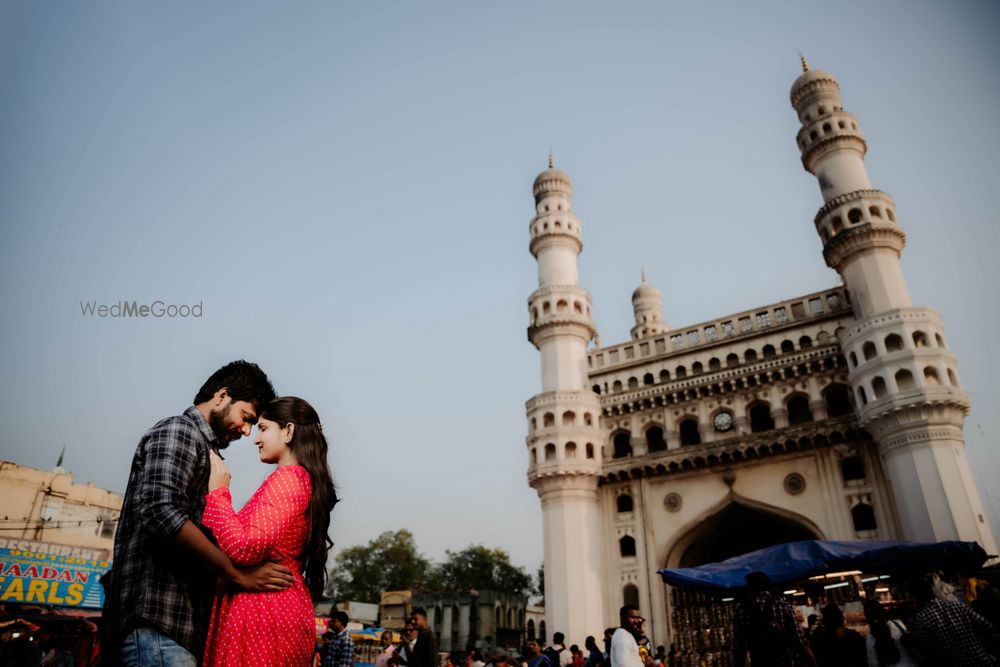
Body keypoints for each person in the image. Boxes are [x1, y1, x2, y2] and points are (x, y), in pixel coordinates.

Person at [102, 360, 292, 666]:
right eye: (246, 418)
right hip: (157, 624)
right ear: (221, 396)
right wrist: (235, 574)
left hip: (175, 630)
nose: (246, 432)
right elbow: (161, 512)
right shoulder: (179, 430)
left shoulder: (206, 451)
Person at [199, 396, 338, 665]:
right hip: (272, 609)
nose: (255, 439)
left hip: (263, 613)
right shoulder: (297, 479)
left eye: (263, 428)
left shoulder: (290, 478)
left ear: (288, 431)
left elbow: (244, 547)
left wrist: (218, 494)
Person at [907, 573, 997, 666]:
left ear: (916, 598)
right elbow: (988, 626)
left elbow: (928, 649)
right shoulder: (957, 605)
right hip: (980, 659)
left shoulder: (921, 618)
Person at [732, 571, 816, 667]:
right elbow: (800, 643)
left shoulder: (741, 611)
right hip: (784, 662)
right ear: (768, 585)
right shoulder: (784, 606)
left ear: (749, 587)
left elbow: (738, 649)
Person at [862, 599, 916, 667]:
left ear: (866, 617)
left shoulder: (871, 638)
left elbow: (873, 663)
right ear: (883, 611)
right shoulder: (898, 624)